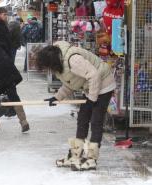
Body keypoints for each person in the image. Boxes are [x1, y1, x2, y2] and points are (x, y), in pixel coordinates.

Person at [36, 41, 116, 171]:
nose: (48, 70)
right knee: (82, 119)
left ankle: (91, 159)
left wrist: (92, 99)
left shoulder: (73, 60)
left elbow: (94, 75)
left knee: (96, 121)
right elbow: (71, 83)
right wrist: (57, 97)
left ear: (52, 62)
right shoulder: (61, 64)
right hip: (91, 88)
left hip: (103, 85)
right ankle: (76, 155)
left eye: (48, 67)